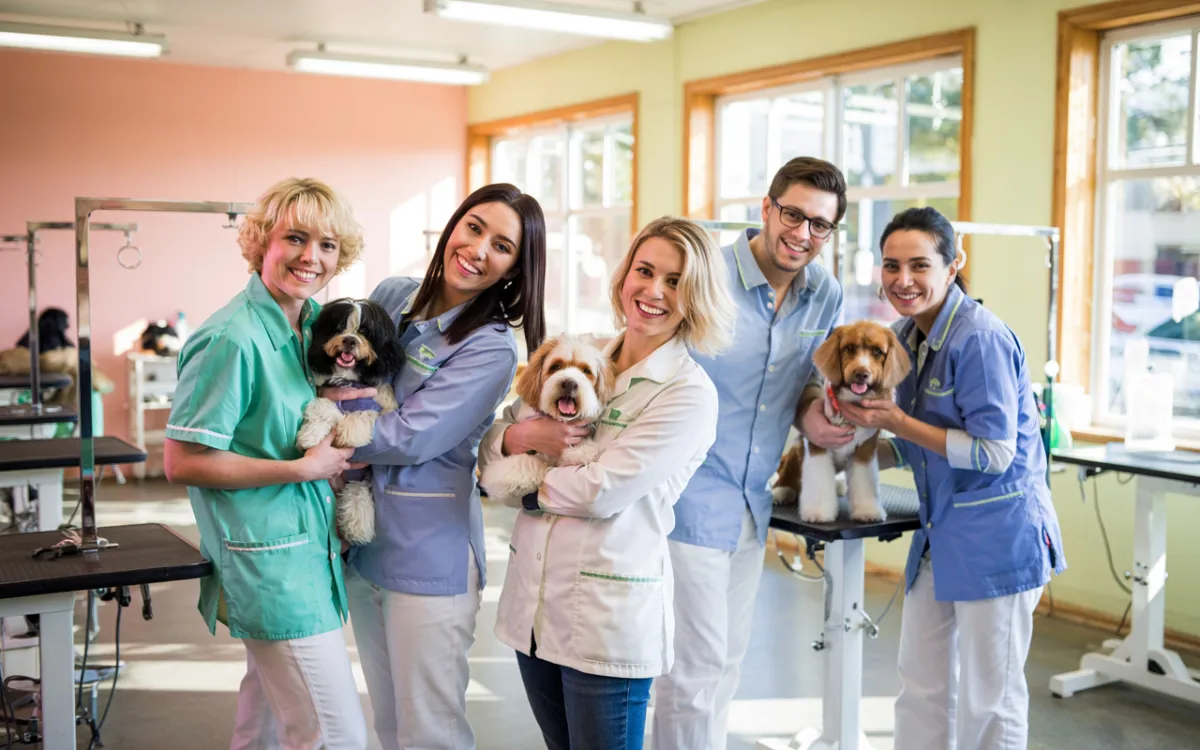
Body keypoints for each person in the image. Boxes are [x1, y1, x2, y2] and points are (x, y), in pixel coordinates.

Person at [482, 217, 737, 750]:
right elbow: (492, 444)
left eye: (675, 281)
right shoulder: (582, 354)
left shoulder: (688, 393)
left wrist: (524, 485)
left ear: (696, 298)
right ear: (624, 276)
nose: (653, 291)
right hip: (535, 610)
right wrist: (521, 437)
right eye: (644, 271)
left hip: (606, 623)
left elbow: (601, 492)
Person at [321, 183, 547, 750]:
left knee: (431, 730)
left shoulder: (492, 347)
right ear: (453, 227)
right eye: (474, 227)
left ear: (515, 270)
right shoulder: (392, 294)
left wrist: (325, 442)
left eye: (502, 246)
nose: (477, 249)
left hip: (429, 556)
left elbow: (413, 434)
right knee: (391, 723)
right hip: (363, 543)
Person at [838, 206, 1067, 750]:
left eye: (919, 265)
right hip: (940, 534)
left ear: (954, 263)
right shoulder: (901, 337)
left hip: (998, 539)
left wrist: (896, 423)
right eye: (891, 266)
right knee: (920, 683)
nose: (903, 280)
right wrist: (854, 453)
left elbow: (992, 452)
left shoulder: (979, 340)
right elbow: (916, 444)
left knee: (992, 698)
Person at [652, 157, 853, 750]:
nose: (803, 234)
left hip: (750, 504)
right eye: (793, 215)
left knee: (724, 667)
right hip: (684, 500)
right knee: (692, 670)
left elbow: (796, 385)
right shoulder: (702, 272)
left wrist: (814, 411)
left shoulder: (825, 296)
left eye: (821, 225)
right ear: (766, 209)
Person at [163, 177, 369, 750]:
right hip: (272, 564)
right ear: (260, 243)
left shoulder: (312, 324)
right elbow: (182, 462)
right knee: (333, 735)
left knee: (267, 725)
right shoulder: (232, 337)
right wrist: (300, 469)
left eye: (327, 245)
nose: (312, 257)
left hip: (306, 549)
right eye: (296, 239)